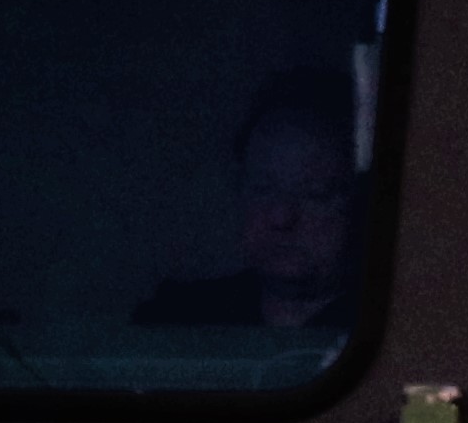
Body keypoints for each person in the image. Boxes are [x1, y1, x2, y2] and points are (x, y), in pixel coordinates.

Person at [138, 67, 362, 329]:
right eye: (263, 189)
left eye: (315, 194)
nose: (281, 217)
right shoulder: (178, 319)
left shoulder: (391, 324)